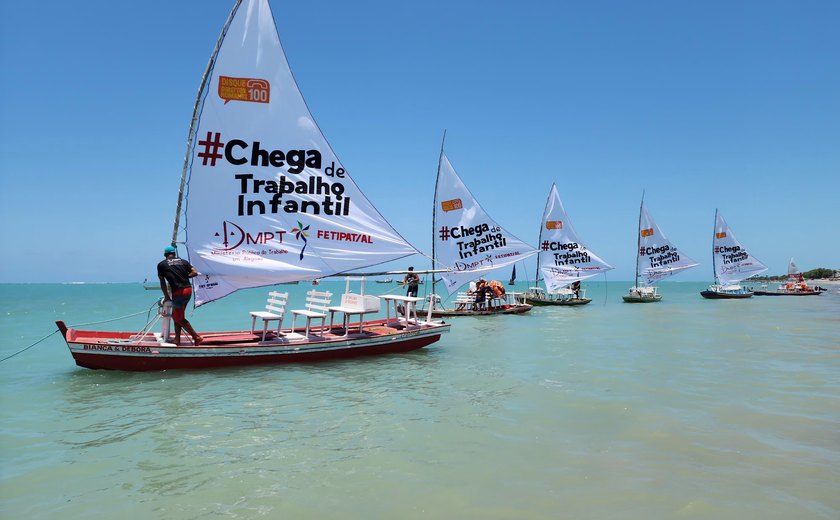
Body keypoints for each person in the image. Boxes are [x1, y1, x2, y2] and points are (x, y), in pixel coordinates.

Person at [157, 245, 203, 346]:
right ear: (174, 253)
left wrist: (167, 297)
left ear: (165, 255)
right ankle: (177, 339)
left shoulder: (161, 265)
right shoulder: (183, 261)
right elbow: (195, 273)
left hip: (178, 292)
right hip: (188, 290)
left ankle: (197, 337)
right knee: (177, 315)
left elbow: (162, 282)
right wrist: (184, 276)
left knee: (178, 317)